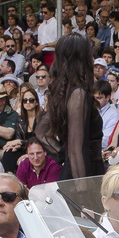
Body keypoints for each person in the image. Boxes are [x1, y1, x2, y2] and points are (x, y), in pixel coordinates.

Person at [41, 32, 105, 181]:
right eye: (89, 55)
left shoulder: (63, 93)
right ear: (81, 60)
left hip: (78, 170)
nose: (93, 59)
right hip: (84, 172)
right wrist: (82, 190)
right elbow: (76, 149)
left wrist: (63, 154)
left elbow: (41, 133)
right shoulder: (78, 94)